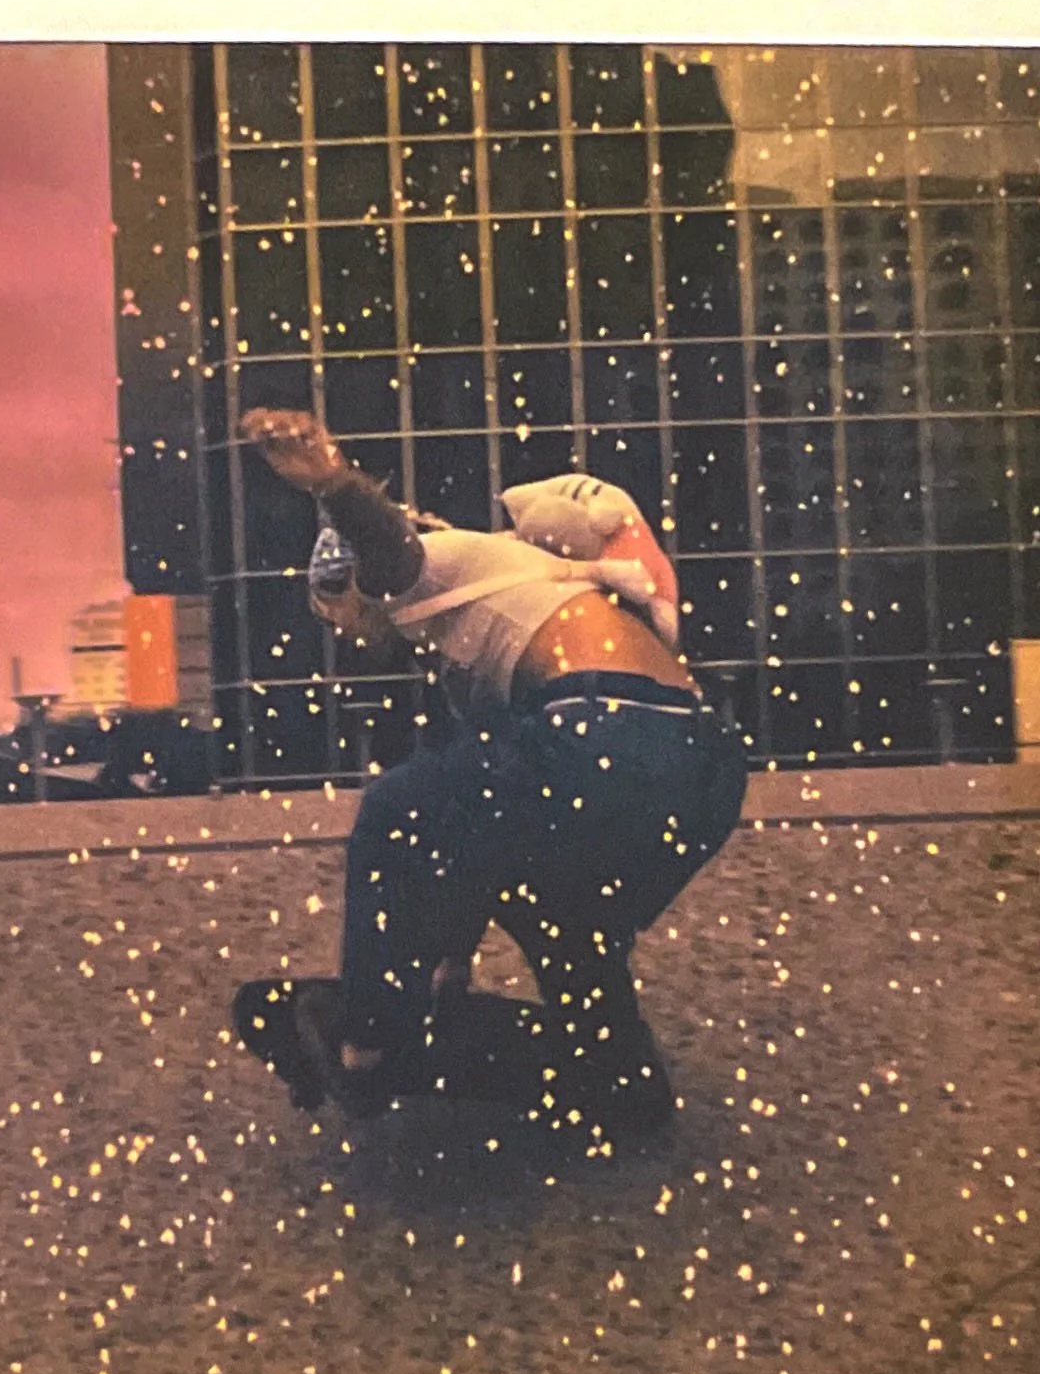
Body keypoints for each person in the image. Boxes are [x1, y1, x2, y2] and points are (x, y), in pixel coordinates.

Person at [239, 407, 749, 1144]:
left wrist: (331, 482)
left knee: (395, 812)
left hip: (599, 729)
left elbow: (394, 557)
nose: (354, 634)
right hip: (702, 773)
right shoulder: (533, 598)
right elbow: (469, 840)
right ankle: (614, 1073)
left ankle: (369, 1045)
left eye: (337, 610)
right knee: (561, 908)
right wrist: (449, 979)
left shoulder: (454, 556)